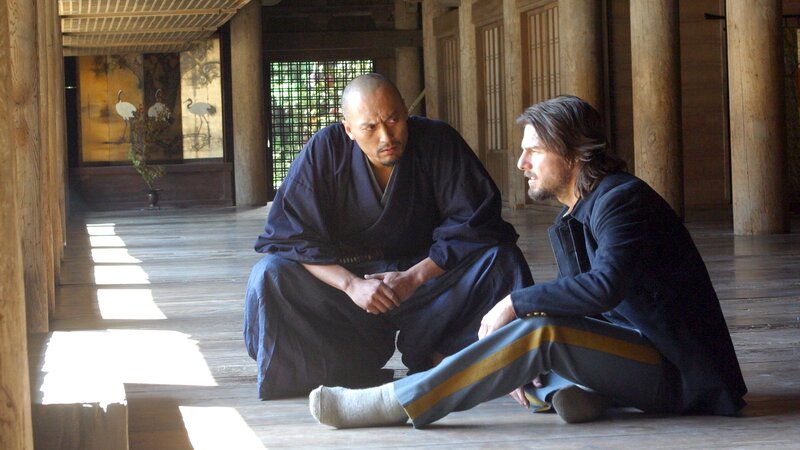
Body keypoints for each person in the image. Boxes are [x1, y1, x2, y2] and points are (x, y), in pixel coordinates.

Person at [308, 95, 747, 428]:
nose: (521, 163)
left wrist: (515, 304)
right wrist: (516, 351)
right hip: (629, 352)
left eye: (534, 151)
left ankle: (396, 401)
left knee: (538, 331)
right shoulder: (572, 215)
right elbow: (581, 307)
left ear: (574, 153)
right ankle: (576, 391)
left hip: (677, 372)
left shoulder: (621, 200)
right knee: (533, 334)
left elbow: (604, 287)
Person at [244, 73, 533, 400]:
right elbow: (291, 236)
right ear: (348, 129)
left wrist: (414, 277)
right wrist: (351, 285)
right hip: (348, 293)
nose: (386, 136)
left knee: (501, 260)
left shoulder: (437, 140)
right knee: (270, 274)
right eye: (370, 127)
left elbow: (475, 221)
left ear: (405, 111)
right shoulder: (325, 149)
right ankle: (342, 366)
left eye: (394, 119)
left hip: (429, 281)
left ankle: (452, 357)